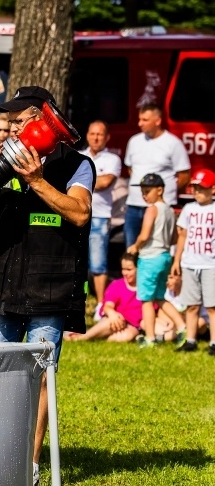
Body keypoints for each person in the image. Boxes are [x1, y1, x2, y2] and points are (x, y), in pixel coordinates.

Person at [0, 86, 95, 486]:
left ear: (41, 120)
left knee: (39, 378)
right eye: (8, 123)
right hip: (4, 284)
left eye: (17, 121)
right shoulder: (5, 161)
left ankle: (27, 463)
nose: (11, 128)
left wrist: (37, 180)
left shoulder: (77, 164)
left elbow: (80, 213)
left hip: (50, 287)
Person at [125, 173, 187, 348]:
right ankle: (182, 326)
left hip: (150, 257)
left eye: (148, 191)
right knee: (160, 297)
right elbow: (175, 238)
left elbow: (144, 235)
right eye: (143, 192)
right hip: (165, 257)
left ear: (160, 190)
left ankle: (150, 338)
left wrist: (135, 247)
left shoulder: (152, 209)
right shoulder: (169, 210)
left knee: (146, 300)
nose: (145, 195)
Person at [123, 104, 190, 247]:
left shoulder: (173, 143)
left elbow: (184, 175)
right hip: (134, 205)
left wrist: (166, 192)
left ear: (158, 121)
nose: (139, 123)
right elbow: (130, 168)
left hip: (160, 206)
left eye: (145, 120)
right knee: (131, 249)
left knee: (159, 247)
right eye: (139, 119)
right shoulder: (134, 141)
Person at [80, 120, 123, 320]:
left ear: (107, 137)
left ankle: (100, 305)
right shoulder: (79, 156)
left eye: (100, 134)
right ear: (87, 135)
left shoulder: (113, 159)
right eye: (93, 133)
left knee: (98, 264)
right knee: (77, 263)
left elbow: (106, 183)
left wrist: (80, 181)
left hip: (100, 217)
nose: (96, 137)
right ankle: (78, 301)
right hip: (78, 215)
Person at [172, 169, 215, 354]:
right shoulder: (189, 209)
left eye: (201, 188)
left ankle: (214, 342)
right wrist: (177, 260)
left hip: (210, 264)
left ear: (213, 189)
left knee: (212, 306)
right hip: (190, 263)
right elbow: (182, 235)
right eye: (195, 188)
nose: (197, 192)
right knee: (191, 305)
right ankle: (191, 340)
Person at [65, 253, 141, 342]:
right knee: (111, 321)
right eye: (123, 269)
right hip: (115, 319)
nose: (125, 273)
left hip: (133, 325)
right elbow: (108, 306)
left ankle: (96, 337)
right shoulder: (117, 285)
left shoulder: (145, 289)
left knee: (127, 336)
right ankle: (83, 337)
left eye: (129, 269)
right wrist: (112, 314)